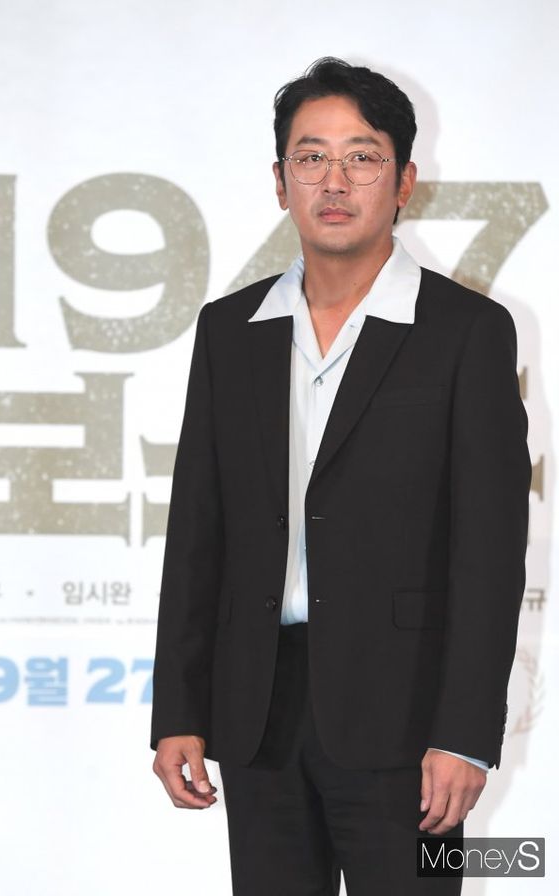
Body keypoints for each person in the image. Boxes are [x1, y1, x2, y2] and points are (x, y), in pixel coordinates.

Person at [150, 57, 531, 895]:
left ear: (405, 182)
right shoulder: (229, 331)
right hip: (257, 715)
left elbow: (490, 553)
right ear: (279, 181)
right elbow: (198, 531)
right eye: (311, 156)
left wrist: (464, 734)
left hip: (408, 722)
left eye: (362, 157)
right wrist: (178, 710)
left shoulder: (467, 331)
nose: (334, 179)